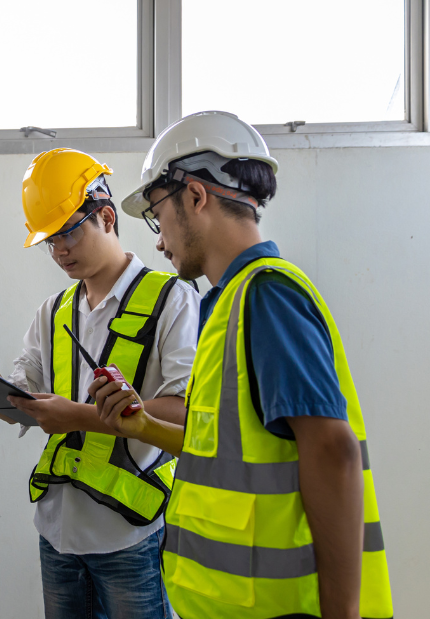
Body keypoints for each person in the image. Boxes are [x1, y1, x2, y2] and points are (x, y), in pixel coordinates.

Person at [92, 111, 393, 619]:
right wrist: (143, 424)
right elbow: (219, 447)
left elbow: (332, 451)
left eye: (158, 215)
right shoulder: (228, 304)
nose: (159, 240)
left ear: (195, 196)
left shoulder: (267, 296)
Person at [0, 148, 198, 619]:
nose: (59, 251)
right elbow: (19, 405)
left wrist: (80, 416)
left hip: (131, 533)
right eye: (50, 241)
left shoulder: (173, 299)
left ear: (106, 216)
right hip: (57, 533)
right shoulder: (53, 311)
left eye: (67, 233)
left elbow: (184, 413)